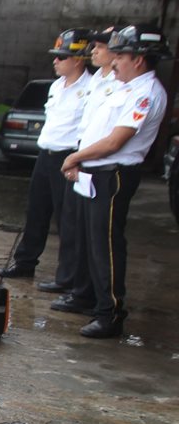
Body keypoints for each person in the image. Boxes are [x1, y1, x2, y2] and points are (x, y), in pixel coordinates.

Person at [58, 25, 170, 339]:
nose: (114, 60)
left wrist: (74, 157)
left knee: (105, 247)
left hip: (114, 175)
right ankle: (91, 298)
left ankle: (110, 313)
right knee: (92, 244)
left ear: (139, 59)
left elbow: (114, 142)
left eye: (120, 55)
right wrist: (81, 160)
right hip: (97, 173)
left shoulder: (145, 93)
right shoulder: (123, 87)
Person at [0, 30, 93, 280]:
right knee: (36, 212)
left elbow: (90, 129)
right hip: (46, 155)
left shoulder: (92, 88)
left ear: (79, 59)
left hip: (69, 159)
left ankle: (67, 276)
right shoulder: (56, 86)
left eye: (61, 57)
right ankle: (25, 263)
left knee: (67, 220)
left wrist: (79, 160)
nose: (55, 61)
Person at [36, 26, 122, 295]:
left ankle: (83, 290)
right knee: (56, 219)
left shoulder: (115, 85)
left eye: (100, 47)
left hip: (89, 161)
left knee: (81, 230)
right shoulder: (97, 80)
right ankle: (73, 284)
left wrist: (77, 158)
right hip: (73, 158)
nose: (94, 51)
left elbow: (112, 135)